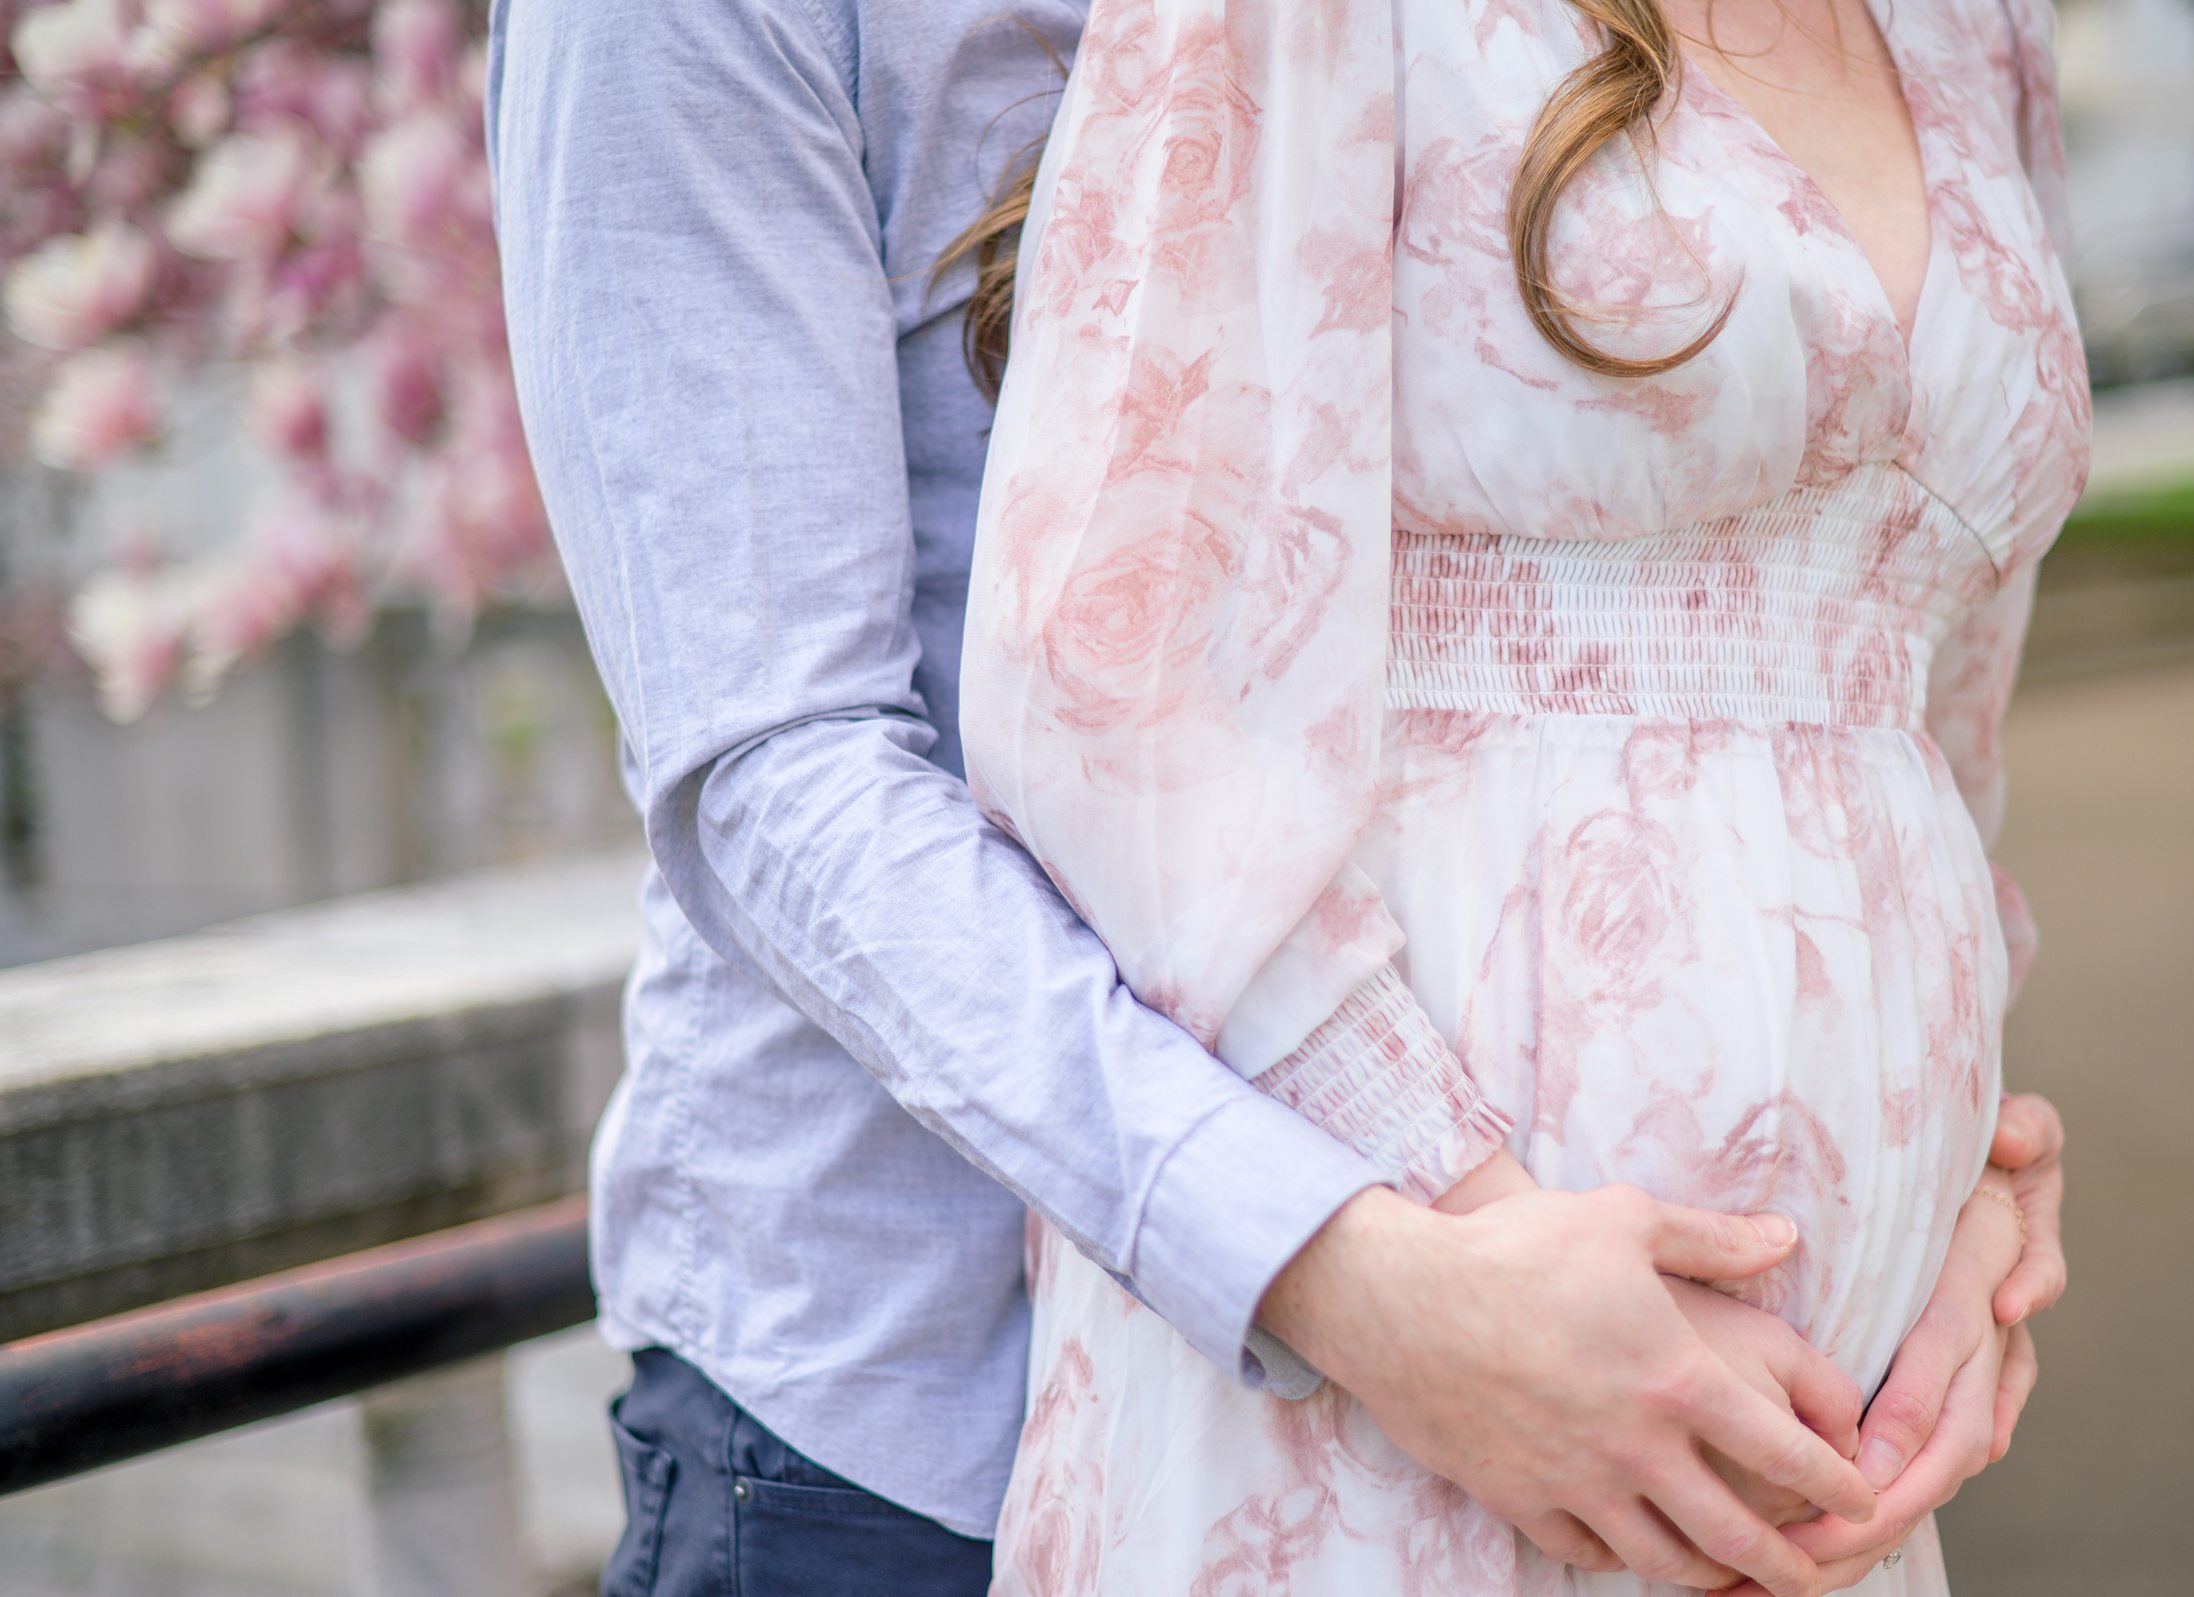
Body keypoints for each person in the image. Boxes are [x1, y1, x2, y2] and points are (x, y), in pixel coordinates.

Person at [483, 0, 2070, 1590]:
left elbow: (1866, 619)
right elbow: (779, 762)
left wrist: (1949, 1146)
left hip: (1672, 1381)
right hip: (919, 1416)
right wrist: (1357, 1270)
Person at [957, 0, 2087, 1591]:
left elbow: (1932, 699)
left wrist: (1968, 1180)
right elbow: (1115, 669)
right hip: (1414, 1392)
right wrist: (1468, 1261)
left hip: (1827, 1469)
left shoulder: (1980, 30)